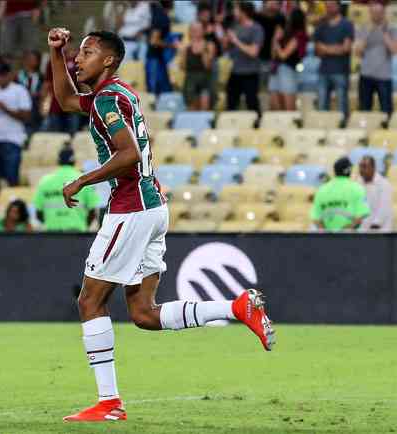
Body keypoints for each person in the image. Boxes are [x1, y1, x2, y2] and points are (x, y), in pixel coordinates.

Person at [47, 27, 275, 421]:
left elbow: (129, 155)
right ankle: (238, 308)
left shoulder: (106, 100)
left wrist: (82, 179)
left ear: (108, 61)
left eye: (86, 52)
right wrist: (56, 51)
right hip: (152, 207)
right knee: (143, 314)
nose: (77, 59)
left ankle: (109, 403)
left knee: (90, 301)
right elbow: (66, 99)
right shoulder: (120, 94)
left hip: (131, 208)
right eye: (77, 53)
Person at [33, 149, 100, 232]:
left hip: (51, 234)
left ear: (58, 161)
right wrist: (85, 226)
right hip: (77, 234)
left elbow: (38, 213)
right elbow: (93, 211)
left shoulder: (45, 182)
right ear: (74, 161)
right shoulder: (83, 180)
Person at [354, 1, 397, 115]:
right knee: (364, 109)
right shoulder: (363, 28)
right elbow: (358, 52)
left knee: (386, 110)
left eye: (379, 13)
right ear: (370, 13)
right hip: (366, 74)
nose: (377, 15)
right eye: (374, 13)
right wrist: (369, 31)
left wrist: (383, 32)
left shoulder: (391, 29)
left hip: (384, 76)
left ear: (384, 13)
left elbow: (394, 50)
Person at [313, 1, 354, 116]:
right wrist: (336, 48)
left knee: (342, 107)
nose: (329, 8)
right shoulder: (321, 26)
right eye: (327, 6)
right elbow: (317, 50)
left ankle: (343, 132)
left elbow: (346, 48)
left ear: (338, 6)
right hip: (323, 71)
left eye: (331, 5)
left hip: (340, 71)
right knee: (321, 107)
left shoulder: (346, 24)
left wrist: (325, 48)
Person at [223, 2, 264, 113]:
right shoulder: (234, 26)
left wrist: (236, 41)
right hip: (235, 72)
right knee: (230, 104)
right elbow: (226, 48)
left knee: (252, 104)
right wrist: (227, 40)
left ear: (244, 12)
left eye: (236, 10)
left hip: (250, 73)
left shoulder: (256, 29)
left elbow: (253, 52)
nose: (234, 13)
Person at [311, 157, 370, 232]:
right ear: (349, 170)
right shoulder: (357, 189)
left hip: (326, 240)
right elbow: (360, 216)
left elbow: (315, 218)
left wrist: (327, 234)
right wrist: (343, 232)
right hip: (350, 240)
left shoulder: (321, 190)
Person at [269, 8, 308, 111]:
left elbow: (283, 55)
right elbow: (273, 55)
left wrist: (276, 41)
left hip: (288, 70)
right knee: (275, 106)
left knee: (289, 107)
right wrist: (275, 39)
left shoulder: (299, 36)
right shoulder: (285, 35)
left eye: (289, 16)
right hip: (276, 70)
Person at [42, 44, 82, 134]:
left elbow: (83, 82)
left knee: (72, 132)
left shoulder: (77, 60)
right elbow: (47, 83)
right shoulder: (52, 61)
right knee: (56, 133)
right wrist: (43, 102)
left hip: (73, 103)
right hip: (56, 103)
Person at [180, 22, 216, 111]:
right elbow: (183, 67)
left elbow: (207, 66)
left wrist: (203, 51)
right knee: (192, 109)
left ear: (203, 31)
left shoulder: (210, 45)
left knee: (205, 107)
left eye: (198, 30)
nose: (195, 33)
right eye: (193, 30)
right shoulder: (186, 47)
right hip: (190, 80)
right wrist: (182, 53)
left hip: (205, 79)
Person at [146, 0, 175, 95]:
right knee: (154, 91)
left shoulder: (159, 13)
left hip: (158, 58)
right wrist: (171, 45)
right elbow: (154, 41)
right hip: (155, 59)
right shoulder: (161, 16)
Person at [255, 0, 286, 87]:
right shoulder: (256, 17)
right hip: (257, 56)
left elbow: (281, 37)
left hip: (274, 58)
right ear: (264, 3)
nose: (272, 6)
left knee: (272, 86)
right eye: (270, 3)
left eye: (275, 3)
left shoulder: (281, 18)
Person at [358, 156, 392, 232]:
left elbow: (383, 210)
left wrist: (373, 229)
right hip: (363, 232)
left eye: (364, 167)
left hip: (379, 232)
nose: (361, 170)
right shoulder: (358, 183)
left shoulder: (384, 184)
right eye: (360, 166)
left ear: (373, 168)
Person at [16, 49, 43, 133]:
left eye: (33, 59)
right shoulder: (17, 76)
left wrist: (37, 94)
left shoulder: (40, 76)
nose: (30, 62)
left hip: (35, 110)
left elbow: (44, 92)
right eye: (28, 59)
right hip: (20, 110)